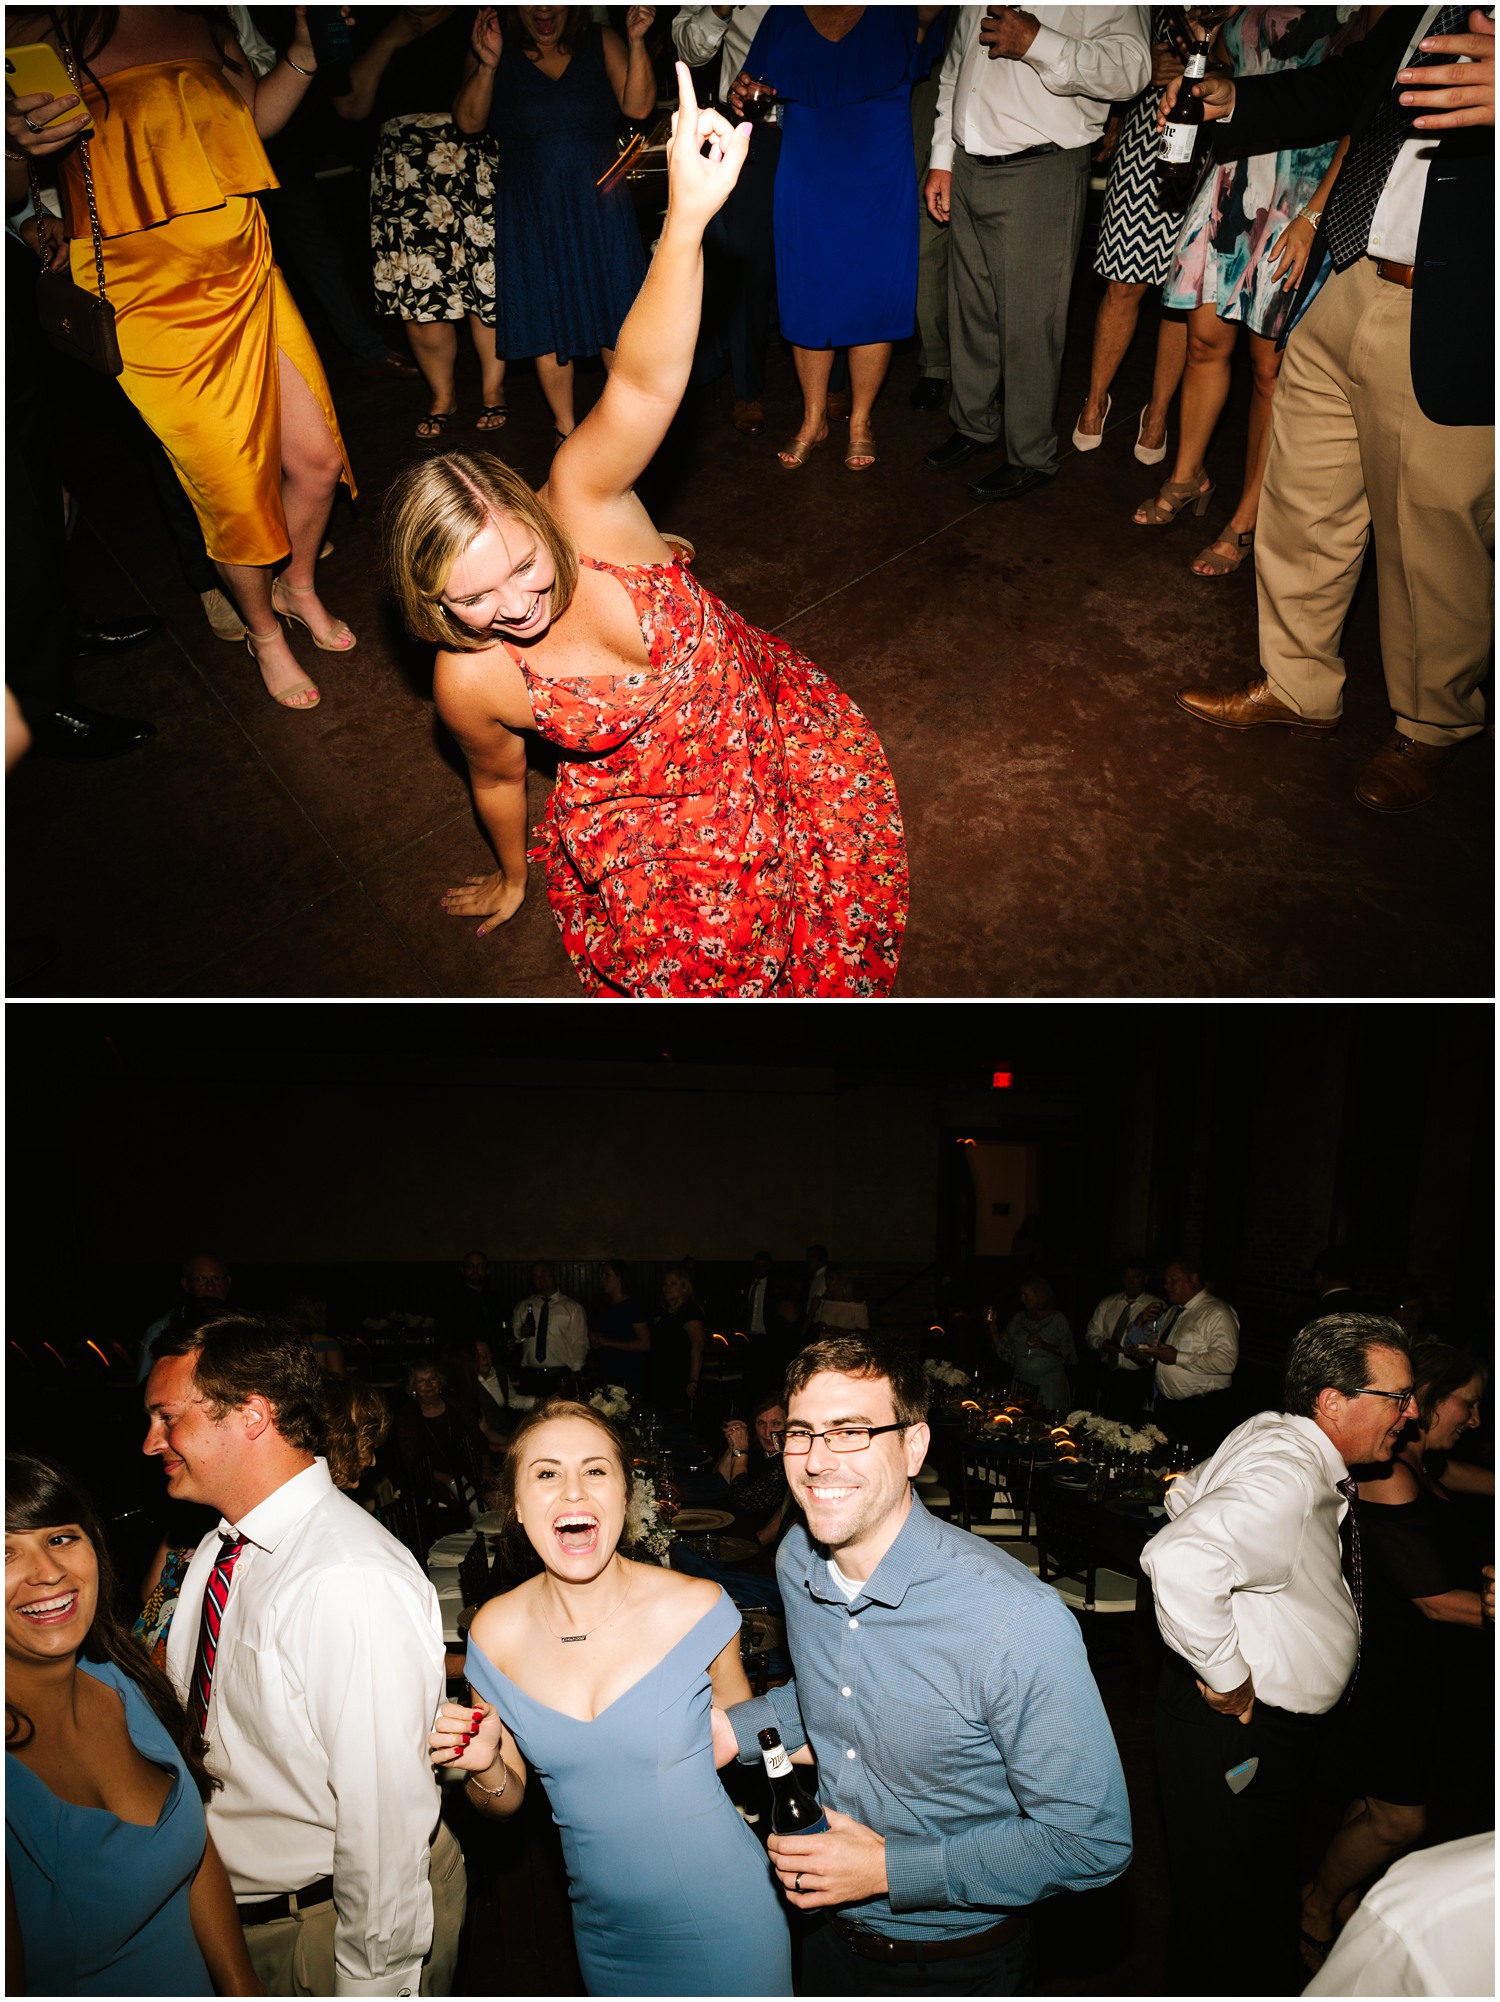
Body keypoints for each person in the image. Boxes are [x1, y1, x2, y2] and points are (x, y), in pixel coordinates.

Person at [382, 63, 908, 996]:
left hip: (756, 721)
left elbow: (643, 383)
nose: (516, 607)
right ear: (432, 604)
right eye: (473, 599)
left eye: (520, 567)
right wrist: (514, 874)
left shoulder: (581, 499)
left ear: (533, 512)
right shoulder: (468, 679)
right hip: (647, 811)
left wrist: (688, 223)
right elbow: (500, 782)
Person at [720, 1333, 1131, 1994]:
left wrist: (888, 1870)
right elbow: (833, 1691)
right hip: (822, 1941)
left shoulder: (1014, 1621)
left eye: (851, 1431)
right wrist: (732, 1730)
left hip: (958, 1965)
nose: (818, 1461)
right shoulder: (797, 1557)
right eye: (801, 1433)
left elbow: (1091, 1844)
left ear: (914, 1446)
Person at [1168, 8, 1495, 812]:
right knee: (1304, 498)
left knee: (1430, 531)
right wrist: (1231, 100)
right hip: (1354, 273)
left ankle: (1431, 727)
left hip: (1454, 302)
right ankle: (1299, 684)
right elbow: (1350, 89)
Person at [4, 7, 357, 712]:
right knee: (234, 492)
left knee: (318, 461)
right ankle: (264, 634)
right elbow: (15, 187)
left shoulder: (202, 13)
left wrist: (300, 51)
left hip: (246, 257)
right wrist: (13, 146)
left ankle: (299, 587)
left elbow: (249, 125)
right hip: (149, 294)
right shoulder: (40, 29)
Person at [142, 1313, 465, 1993]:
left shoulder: (347, 1576)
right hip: (230, 1918)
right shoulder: (218, 1550)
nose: (151, 1443)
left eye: (167, 1418)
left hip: (323, 1929)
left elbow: (382, 1821)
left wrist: (372, 1982)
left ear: (253, 1414)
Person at [428, 1398, 793, 1995]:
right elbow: (506, 1799)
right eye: (546, 1473)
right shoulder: (494, 1633)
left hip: (727, 1920)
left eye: (595, 1470)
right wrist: (485, 1765)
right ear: (516, 1506)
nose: (573, 1492)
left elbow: (748, 1737)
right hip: (604, 1935)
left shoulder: (696, 1608)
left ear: (626, 1493)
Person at [1139, 1311, 1415, 1996]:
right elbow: (1179, 1558)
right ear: (1333, 1402)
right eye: (1396, 1397)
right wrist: (1229, 1676)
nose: (1409, 1415)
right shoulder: (1290, 1474)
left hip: (1250, 1728)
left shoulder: (1273, 1432)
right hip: (1236, 1727)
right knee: (1228, 1916)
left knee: (1245, 1899)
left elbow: (1183, 1493)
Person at [5, 1451, 259, 1997]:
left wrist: (242, 1987)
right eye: (4, 1552)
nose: (48, 1572)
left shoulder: (122, 1679)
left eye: (60, 1538)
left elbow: (192, 1849)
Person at [1140, 8, 1366, 579]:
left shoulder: (1361, 12)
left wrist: (1316, 215)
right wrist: (1204, 60)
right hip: (1236, 173)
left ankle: (1248, 515)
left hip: (1302, 188)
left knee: (1270, 369)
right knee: (1203, 341)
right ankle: (1188, 475)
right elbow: (1228, 67)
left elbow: (1362, 114)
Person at [1297, 1342, 1493, 1969]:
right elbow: (1434, 1601)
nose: (1477, 1420)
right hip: (1384, 1668)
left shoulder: (1420, 1463)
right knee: (1402, 1820)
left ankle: (1348, 1899)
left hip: (1418, 1668)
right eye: (1468, 1403)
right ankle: (1316, 1904)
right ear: (1429, 1398)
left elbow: (1482, 1481)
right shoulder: (1390, 1474)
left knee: (1373, 1800)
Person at [922, 5, 1150, 501]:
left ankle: (1031, 455)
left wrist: (1040, 43)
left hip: (1040, 166)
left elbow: (1132, 69)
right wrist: (943, 158)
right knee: (971, 310)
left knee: (1031, 322)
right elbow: (956, 71)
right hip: (968, 161)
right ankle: (974, 425)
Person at [735, 6, 940, 472]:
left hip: (880, 168)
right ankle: (812, 420)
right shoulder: (784, 14)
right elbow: (751, 84)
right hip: (808, 167)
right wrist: (744, 90)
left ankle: (861, 420)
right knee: (808, 290)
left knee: (874, 293)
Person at [453, 6, 657, 443]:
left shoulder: (602, 40)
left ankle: (625, 427)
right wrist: (488, 67)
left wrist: (637, 41)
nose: (544, 9)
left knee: (617, 313)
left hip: (600, 204)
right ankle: (567, 429)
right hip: (532, 209)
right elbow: (467, 122)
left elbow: (638, 107)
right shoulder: (493, 46)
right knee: (546, 314)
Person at [331, 8, 507, 439]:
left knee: (486, 283)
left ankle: (493, 390)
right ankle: (442, 396)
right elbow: (350, 107)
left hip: (465, 157)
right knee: (420, 292)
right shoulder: (361, 18)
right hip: (404, 167)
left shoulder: (473, 13)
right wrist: (389, 39)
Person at [1071, 9, 1205, 462]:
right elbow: (1113, 53)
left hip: (1214, 143)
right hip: (1149, 135)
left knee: (1182, 295)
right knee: (1122, 282)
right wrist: (1143, 69)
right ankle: (1095, 400)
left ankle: (1159, 412)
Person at [672, 4, 776, 436]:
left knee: (819, 253)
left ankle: (837, 379)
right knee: (746, 262)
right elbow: (688, 47)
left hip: (818, 122)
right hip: (748, 125)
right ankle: (747, 388)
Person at [1304, 1829, 1495, 1998]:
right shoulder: (1420, 1914)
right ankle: (1316, 1906)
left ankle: (1344, 1898)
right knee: (1400, 1822)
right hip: (1413, 1912)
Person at [1131, 1254, 1238, 1455]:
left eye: (1174, 1280)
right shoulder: (1174, 1312)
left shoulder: (1217, 1312)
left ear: (1195, 1279)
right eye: (1166, 1280)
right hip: (1168, 1408)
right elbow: (1165, 1351)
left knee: (1192, 1469)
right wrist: (1151, 1355)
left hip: (1200, 1410)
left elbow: (1226, 1361)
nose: (1167, 1285)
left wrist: (1178, 1357)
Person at [394, 1359, 488, 1530]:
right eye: (421, 1381)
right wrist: (447, 1479)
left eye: (432, 1379)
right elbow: (411, 1460)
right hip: (430, 1481)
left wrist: (486, 1468)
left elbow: (478, 1438)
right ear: (413, 1387)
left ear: (440, 1382)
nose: (428, 1385)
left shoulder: (456, 1404)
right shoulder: (407, 1416)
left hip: (468, 1473)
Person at [1085, 1258, 1164, 1419]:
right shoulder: (1108, 1303)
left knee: (1130, 1422)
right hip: (1108, 1371)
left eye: (1136, 1278)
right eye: (1127, 1278)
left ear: (1145, 1279)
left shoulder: (1155, 1305)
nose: (1131, 1283)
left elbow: (1155, 1342)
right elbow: (1091, 1334)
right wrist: (1103, 1344)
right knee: (1102, 1418)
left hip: (1136, 1375)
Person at [137, 1252, 231, 1382]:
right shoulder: (162, 1329)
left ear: (228, 1281)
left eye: (217, 1278)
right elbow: (145, 1383)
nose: (210, 1287)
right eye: (200, 1279)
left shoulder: (245, 1326)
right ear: (186, 1284)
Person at [714, 1393, 791, 1542]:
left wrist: (740, 1452)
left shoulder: (786, 1461)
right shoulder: (756, 1449)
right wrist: (733, 1445)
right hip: (732, 1528)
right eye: (761, 1423)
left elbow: (742, 1499)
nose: (767, 1432)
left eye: (776, 1424)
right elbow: (718, 1482)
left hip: (755, 1542)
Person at [991, 1275, 1076, 1411]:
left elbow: (1069, 1352)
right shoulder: (1019, 1319)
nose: (1022, 1299)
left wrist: (1044, 1345)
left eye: (1026, 1295)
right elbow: (1003, 1349)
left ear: (1040, 1295)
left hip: (1048, 1386)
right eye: (1021, 1295)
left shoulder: (1057, 1320)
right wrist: (992, 1325)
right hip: (1022, 1384)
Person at [511, 1262, 591, 1399]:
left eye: (544, 1274)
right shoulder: (523, 1306)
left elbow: (580, 1341)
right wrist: (521, 1333)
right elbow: (515, 1335)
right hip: (530, 1375)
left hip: (560, 1376)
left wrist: (576, 1370)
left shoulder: (572, 1307)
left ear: (554, 1276)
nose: (540, 1279)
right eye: (535, 1276)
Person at [588, 1258, 652, 1401]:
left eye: (607, 1275)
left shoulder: (634, 1307)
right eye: (602, 1275)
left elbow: (645, 1343)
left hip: (629, 1373)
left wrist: (607, 1342)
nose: (603, 1279)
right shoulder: (604, 1305)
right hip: (608, 1370)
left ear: (620, 1277)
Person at [651, 1265, 707, 1417]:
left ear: (684, 1287)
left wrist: (693, 1380)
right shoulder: (666, 1312)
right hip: (663, 1376)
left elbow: (698, 1345)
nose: (667, 1288)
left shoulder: (689, 1310)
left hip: (679, 1376)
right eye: (665, 1284)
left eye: (673, 1283)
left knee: (677, 1421)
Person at [809, 1265, 870, 1333]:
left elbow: (864, 1332)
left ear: (842, 1280)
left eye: (831, 1279)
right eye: (826, 1279)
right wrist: (819, 1326)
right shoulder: (824, 1302)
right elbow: (813, 1324)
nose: (828, 1282)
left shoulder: (857, 1307)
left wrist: (841, 1331)